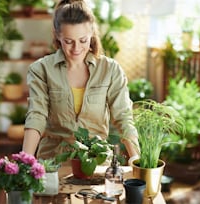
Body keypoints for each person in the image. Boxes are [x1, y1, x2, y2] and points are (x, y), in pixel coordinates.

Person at [22, 0, 139, 164]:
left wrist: (136, 158)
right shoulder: (41, 70)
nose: (76, 48)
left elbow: (123, 117)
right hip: (53, 162)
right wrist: (25, 160)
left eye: (83, 40)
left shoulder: (110, 70)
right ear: (57, 35)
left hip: (97, 162)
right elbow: (36, 116)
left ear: (92, 33)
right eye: (68, 41)